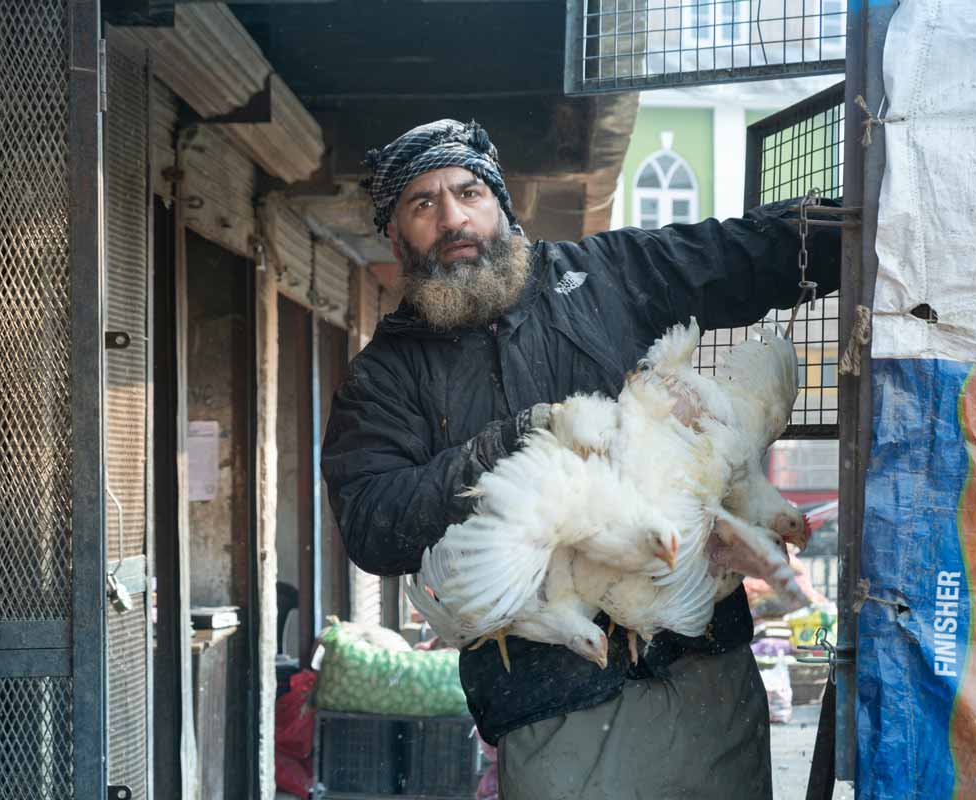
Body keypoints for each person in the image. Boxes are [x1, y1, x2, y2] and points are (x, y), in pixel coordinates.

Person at [320, 119, 840, 799]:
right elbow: (371, 522)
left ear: (503, 206)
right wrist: (500, 449)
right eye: (423, 205)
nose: (453, 218)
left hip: (700, 670)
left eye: (468, 192)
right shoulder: (384, 377)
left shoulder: (603, 277)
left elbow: (732, 253)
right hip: (551, 701)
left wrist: (851, 225)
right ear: (396, 236)